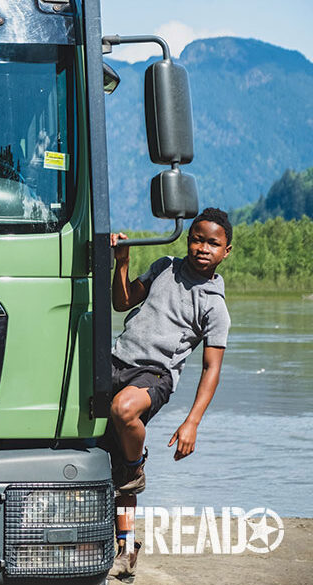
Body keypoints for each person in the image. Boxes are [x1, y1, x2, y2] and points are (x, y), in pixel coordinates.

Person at [103, 207, 233, 580]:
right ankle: (126, 550)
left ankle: (136, 463)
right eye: (197, 239)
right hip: (116, 359)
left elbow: (211, 369)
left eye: (213, 243)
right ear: (187, 239)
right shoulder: (165, 266)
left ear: (226, 251)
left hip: (154, 376)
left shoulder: (214, 306)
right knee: (115, 463)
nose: (202, 248)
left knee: (125, 411)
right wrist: (122, 263)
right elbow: (123, 301)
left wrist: (192, 422)